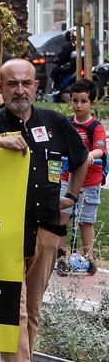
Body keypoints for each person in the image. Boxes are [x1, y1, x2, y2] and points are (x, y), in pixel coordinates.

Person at [0, 58, 88, 362]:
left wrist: (73, 197)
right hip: (4, 232)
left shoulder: (53, 122)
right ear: (0, 89)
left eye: (26, 83)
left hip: (47, 228)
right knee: (15, 311)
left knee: (32, 312)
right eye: (12, 84)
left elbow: (80, 159)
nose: (20, 90)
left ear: (36, 86)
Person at [62, 79, 102, 275]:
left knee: (86, 220)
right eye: (75, 100)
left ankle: (89, 257)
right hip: (66, 177)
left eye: (83, 101)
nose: (78, 105)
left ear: (91, 103)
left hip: (89, 180)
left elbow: (100, 150)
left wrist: (90, 155)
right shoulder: (66, 123)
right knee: (62, 216)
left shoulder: (95, 127)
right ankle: (61, 256)